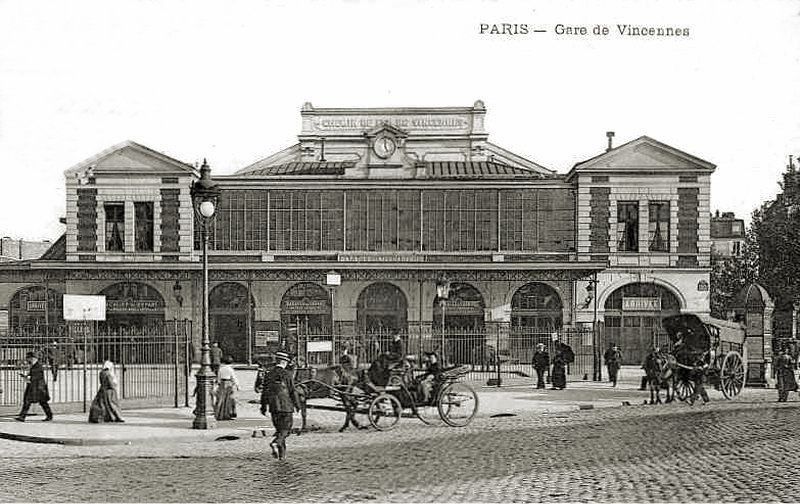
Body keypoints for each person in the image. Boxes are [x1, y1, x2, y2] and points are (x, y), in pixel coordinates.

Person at [260, 351, 300, 460]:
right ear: (284, 362)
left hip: (273, 407)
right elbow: (293, 391)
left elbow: (264, 392)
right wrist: (297, 405)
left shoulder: (268, 374)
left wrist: (263, 407)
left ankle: (282, 457)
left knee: (279, 431)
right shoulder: (287, 374)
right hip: (286, 406)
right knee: (286, 429)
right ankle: (275, 443)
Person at [15, 351, 53, 422]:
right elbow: (32, 376)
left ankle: (49, 415)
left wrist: (27, 378)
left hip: (38, 387)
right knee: (27, 401)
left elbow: (35, 377)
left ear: (32, 358)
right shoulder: (34, 365)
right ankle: (22, 416)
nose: (27, 360)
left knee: (42, 402)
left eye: (28, 358)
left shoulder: (38, 366)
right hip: (34, 386)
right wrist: (26, 376)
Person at [214, 355, 239, 420]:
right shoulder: (230, 369)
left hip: (222, 383)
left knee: (221, 399)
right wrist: (237, 385)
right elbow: (233, 378)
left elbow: (218, 378)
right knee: (228, 400)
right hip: (228, 384)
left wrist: (218, 383)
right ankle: (228, 414)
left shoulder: (221, 369)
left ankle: (219, 414)